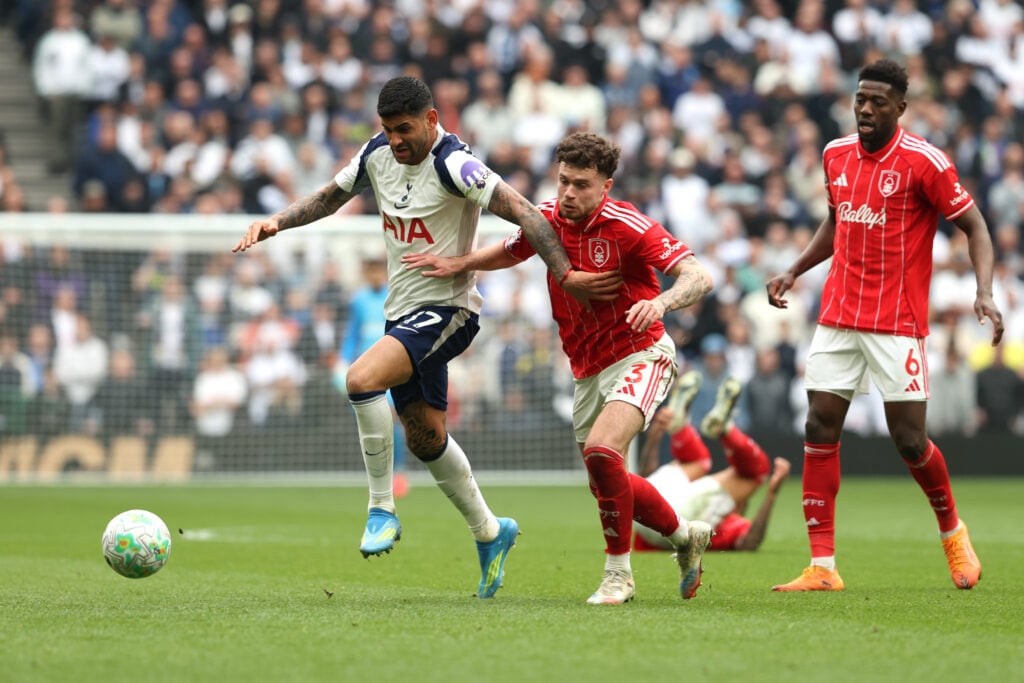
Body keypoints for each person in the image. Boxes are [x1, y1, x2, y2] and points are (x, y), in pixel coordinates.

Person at [233, 76, 619, 599]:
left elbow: (528, 213)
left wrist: (566, 273)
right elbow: (330, 196)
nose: (395, 139)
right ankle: (490, 531)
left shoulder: (455, 165)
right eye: (388, 129)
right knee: (425, 437)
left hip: (449, 310)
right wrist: (277, 221)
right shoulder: (376, 155)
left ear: (432, 120)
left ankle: (380, 508)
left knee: (360, 378)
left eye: (405, 128)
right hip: (403, 315)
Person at [403, 131, 715, 605]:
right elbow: (512, 249)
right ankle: (684, 537)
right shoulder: (548, 218)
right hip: (586, 369)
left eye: (581, 184)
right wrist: (459, 264)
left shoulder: (629, 226)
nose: (568, 192)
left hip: (642, 353)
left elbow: (699, 275)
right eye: (564, 180)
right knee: (604, 478)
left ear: (605, 186)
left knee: (603, 451)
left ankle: (619, 576)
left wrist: (661, 302)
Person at [765, 59, 1004, 592]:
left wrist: (983, 291)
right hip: (838, 316)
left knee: (909, 439)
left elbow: (975, 225)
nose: (865, 109)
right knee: (818, 426)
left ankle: (953, 532)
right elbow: (837, 218)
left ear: (900, 106)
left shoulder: (926, 162)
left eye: (877, 102)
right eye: (860, 99)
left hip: (897, 321)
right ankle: (822, 567)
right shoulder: (834, 154)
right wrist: (794, 269)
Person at [634, 370, 791, 553]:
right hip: (674, 524)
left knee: (700, 462)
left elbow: (644, 484)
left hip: (642, 517)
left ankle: (680, 427)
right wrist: (772, 494)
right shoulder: (723, 524)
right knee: (756, 474)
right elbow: (749, 543)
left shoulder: (698, 498)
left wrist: (655, 437)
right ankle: (724, 429)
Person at [337, 252, 409, 498]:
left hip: (391, 366)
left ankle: (398, 471)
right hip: (365, 367)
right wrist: (342, 361)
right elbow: (352, 334)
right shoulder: (358, 300)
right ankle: (379, 476)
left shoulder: (395, 295)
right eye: (371, 269)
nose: (376, 274)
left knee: (391, 419)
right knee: (371, 424)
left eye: (379, 269)